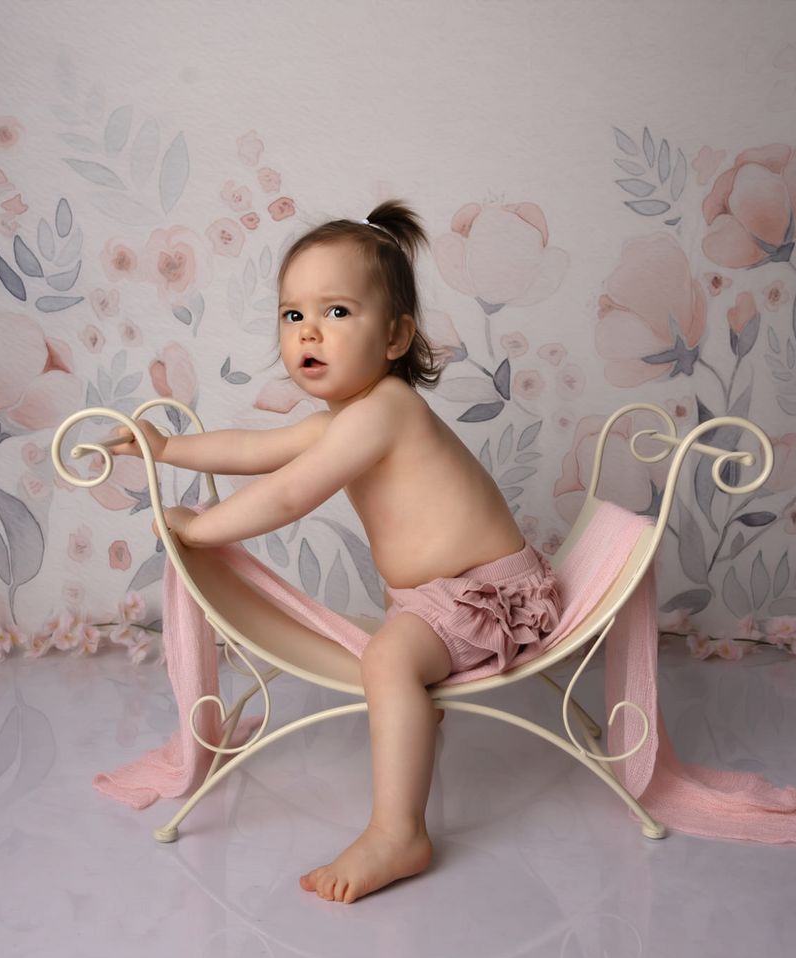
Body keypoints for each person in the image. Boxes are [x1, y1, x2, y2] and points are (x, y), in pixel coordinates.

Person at [107, 200, 560, 903]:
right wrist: (164, 447)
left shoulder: (385, 410)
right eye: (293, 316)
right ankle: (414, 710)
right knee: (393, 644)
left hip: (485, 597)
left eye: (337, 311)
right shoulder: (346, 416)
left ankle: (398, 831)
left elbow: (289, 495)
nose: (309, 331)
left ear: (395, 336)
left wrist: (199, 529)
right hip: (437, 599)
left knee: (385, 656)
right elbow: (256, 450)